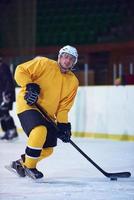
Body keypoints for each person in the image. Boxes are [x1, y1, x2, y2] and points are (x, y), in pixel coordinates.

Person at [11, 45, 79, 179]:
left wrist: (63, 125)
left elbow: (63, 107)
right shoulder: (44, 63)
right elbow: (20, 70)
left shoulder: (73, 82)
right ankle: (29, 167)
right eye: (65, 57)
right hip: (29, 104)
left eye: (71, 59)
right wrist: (29, 85)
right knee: (39, 130)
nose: (67, 60)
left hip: (47, 114)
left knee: (48, 149)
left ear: (74, 62)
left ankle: (20, 163)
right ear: (59, 57)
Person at [0, 56, 18, 140]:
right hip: (2, 95)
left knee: (5, 112)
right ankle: (7, 131)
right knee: (2, 113)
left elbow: (8, 82)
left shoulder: (4, 67)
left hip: (6, 95)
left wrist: (7, 94)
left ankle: (12, 130)